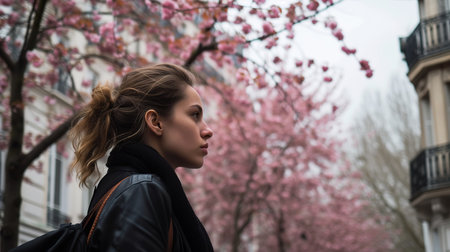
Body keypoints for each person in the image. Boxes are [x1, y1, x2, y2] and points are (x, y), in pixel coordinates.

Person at [69, 63, 214, 251]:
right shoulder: (141, 191)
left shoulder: (128, 187)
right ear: (155, 122)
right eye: (195, 114)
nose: (208, 130)